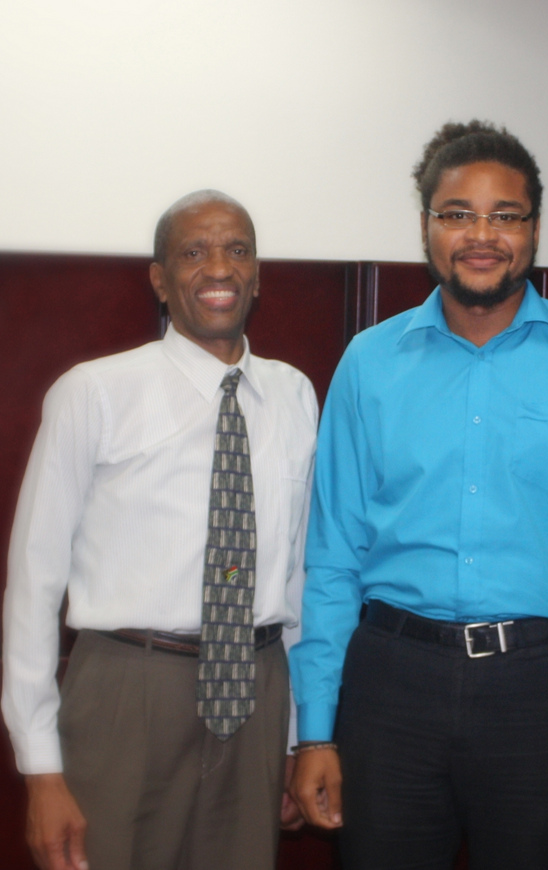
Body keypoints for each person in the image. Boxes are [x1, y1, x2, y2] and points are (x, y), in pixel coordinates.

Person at [288, 120, 548, 869]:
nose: (481, 235)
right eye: (457, 214)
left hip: (544, 691)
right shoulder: (368, 362)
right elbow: (331, 560)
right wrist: (316, 728)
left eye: (504, 215)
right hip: (391, 686)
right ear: (426, 227)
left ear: (535, 230)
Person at [2, 190, 318, 870]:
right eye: (193, 252)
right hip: (128, 691)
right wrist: (40, 766)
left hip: (259, 689)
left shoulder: (294, 394)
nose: (219, 268)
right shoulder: (93, 392)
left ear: (257, 276)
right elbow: (33, 580)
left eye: (237, 250)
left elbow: (296, 571)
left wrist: (297, 736)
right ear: (160, 278)